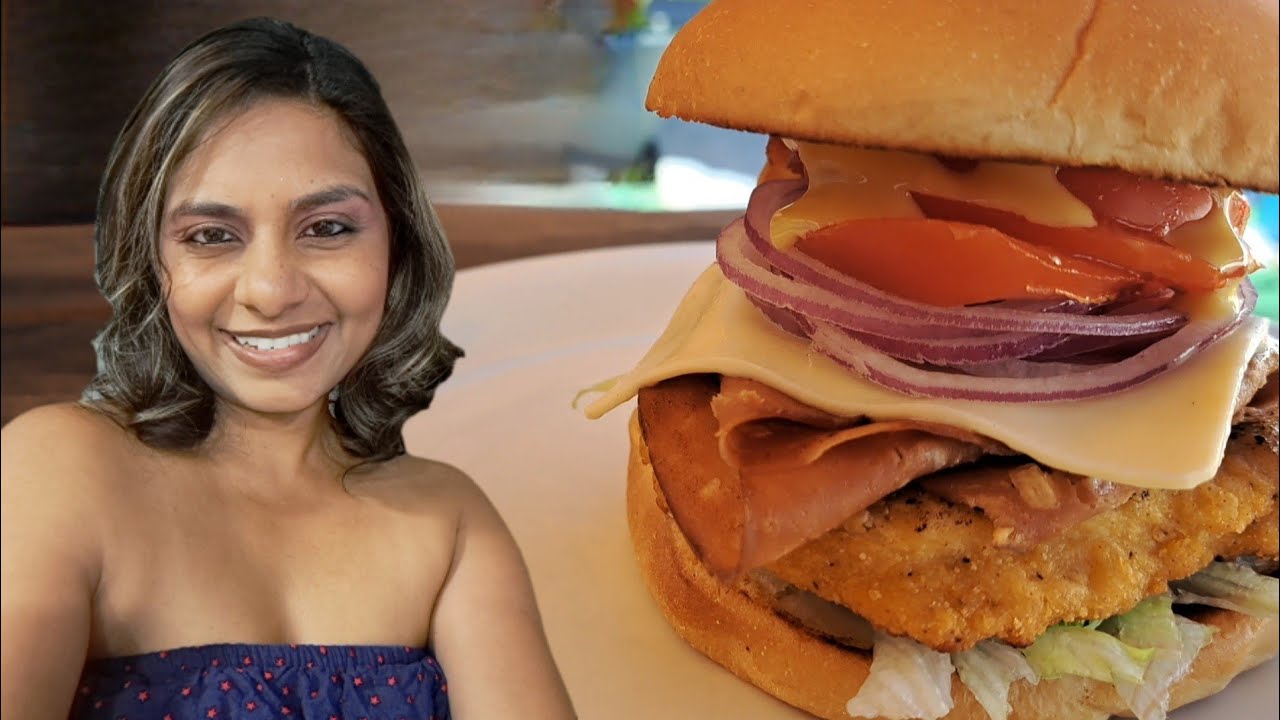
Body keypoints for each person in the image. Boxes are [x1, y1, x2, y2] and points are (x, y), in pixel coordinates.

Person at [0, 17, 576, 720]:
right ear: (151, 262)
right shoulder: (57, 468)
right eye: (212, 237)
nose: (270, 290)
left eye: (327, 228)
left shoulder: (448, 520)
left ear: (395, 242)